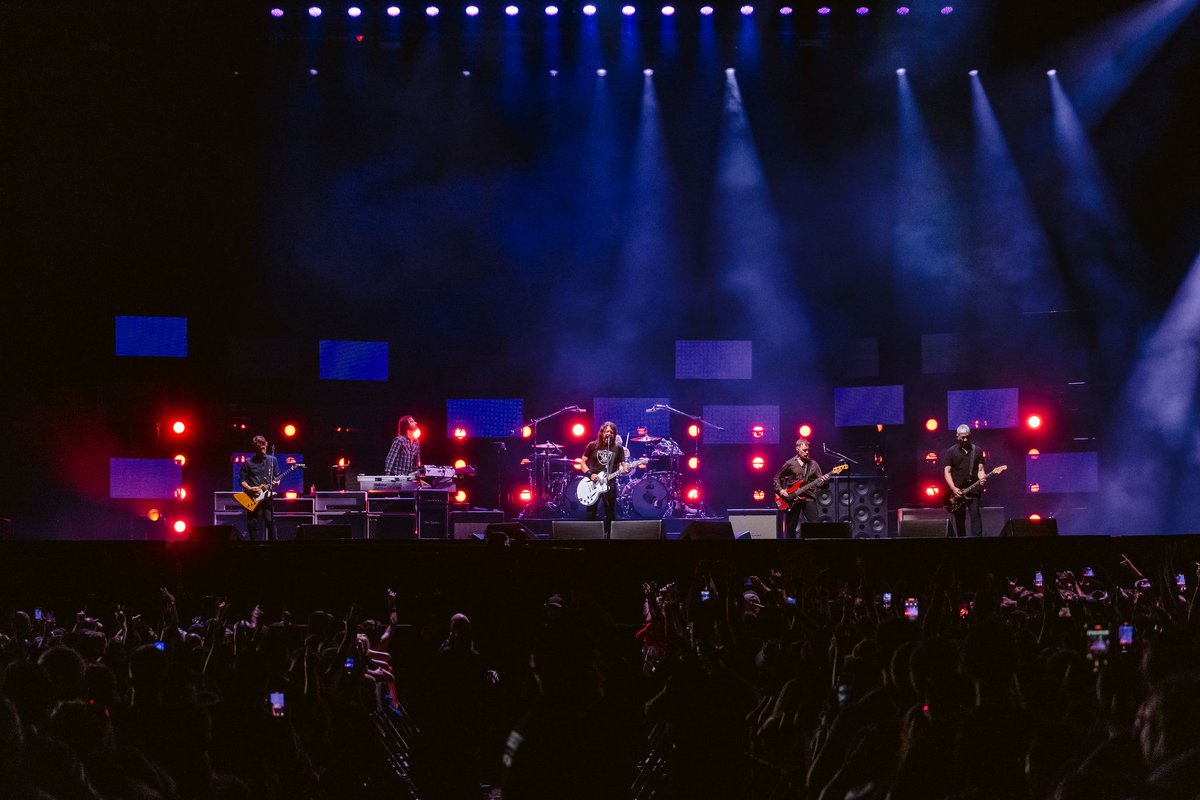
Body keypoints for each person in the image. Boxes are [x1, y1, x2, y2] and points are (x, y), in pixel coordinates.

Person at [942, 424, 987, 537]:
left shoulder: (977, 450)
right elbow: (947, 471)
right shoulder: (951, 451)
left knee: (975, 515)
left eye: (967, 437)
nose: (965, 439)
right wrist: (953, 488)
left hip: (973, 489)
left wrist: (982, 477)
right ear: (957, 436)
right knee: (959, 518)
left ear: (970, 435)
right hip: (958, 491)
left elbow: (980, 470)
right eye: (962, 437)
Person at [773, 438, 823, 539]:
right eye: (804, 450)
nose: (807, 452)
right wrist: (781, 490)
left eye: (808, 450)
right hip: (792, 498)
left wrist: (824, 481)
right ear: (797, 449)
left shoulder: (814, 464)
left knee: (815, 525)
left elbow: (820, 482)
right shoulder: (790, 463)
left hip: (809, 497)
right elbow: (776, 477)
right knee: (790, 527)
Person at [581, 421, 626, 528]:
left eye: (612, 432)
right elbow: (582, 463)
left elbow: (622, 466)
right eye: (607, 431)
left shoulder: (618, 448)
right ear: (602, 433)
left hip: (610, 483)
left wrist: (625, 470)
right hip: (593, 483)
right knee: (591, 513)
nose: (609, 433)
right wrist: (590, 474)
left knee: (610, 513)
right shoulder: (592, 445)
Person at [239, 434, 278, 541]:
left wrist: (277, 482)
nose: (262, 451)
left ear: (266, 445)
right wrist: (250, 489)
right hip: (252, 496)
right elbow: (242, 481)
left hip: (267, 497)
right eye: (259, 449)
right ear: (255, 448)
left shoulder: (272, 460)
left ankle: (275, 547)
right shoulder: (248, 463)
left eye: (264, 448)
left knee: (270, 521)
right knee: (252, 523)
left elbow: (277, 477)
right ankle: (254, 546)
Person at [384, 415, 422, 485]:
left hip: (409, 478)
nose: (415, 423)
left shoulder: (417, 443)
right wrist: (387, 476)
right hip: (397, 477)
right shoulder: (399, 440)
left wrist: (416, 476)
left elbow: (416, 462)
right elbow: (391, 458)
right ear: (406, 426)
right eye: (412, 421)